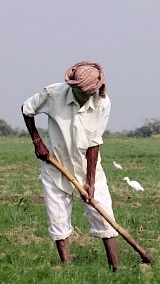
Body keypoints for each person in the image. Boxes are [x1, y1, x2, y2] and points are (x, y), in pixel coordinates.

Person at [21, 61, 119, 271]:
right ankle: (67, 268)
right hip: (55, 163)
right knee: (57, 214)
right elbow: (27, 109)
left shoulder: (103, 103)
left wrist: (90, 183)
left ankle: (115, 267)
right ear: (74, 88)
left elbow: (95, 142)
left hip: (87, 166)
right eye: (84, 93)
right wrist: (37, 142)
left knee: (103, 212)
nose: (89, 96)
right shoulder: (53, 94)